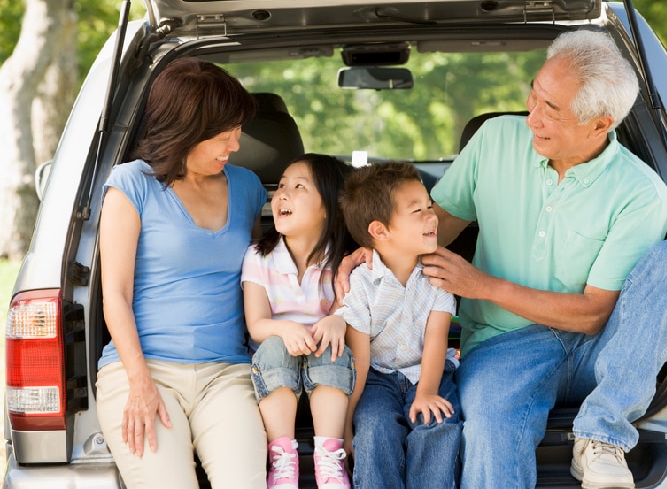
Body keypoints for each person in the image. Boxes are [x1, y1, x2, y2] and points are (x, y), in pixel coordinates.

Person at [418, 30, 667, 488]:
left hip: (605, 351)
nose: (531, 117)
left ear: (600, 124)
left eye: (551, 110)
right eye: (533, 96)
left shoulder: (641, 192)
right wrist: (368, 255)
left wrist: (480, 285)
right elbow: (434, 227)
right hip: (501, 347)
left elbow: (594, 315)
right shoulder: (494, 140)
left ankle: (602, 436)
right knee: (490, 426)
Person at [96, 57, 268, 488]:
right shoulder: (131, 184)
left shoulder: (246, 186)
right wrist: (139, 383)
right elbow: (114, 294)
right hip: (142, 370)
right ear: (188, 128)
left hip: (226, 374)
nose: (235, 145)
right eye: (225, 135)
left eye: (237, 133)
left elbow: (271, 268)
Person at [337, 162, 461, 489]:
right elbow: (359, 360)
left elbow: (437, 339)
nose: (432, 216)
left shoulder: (438, 275)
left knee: (438, 423)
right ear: (380, 231)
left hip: (429, 371)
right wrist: (346, 424)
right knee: (375, 429)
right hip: (377, 377)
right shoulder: (361, 283)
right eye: (417, 210)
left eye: (430, 206)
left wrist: (427, 393)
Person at [242, 154, 355, 489]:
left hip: (325, 368)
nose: (282, 194)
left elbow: (349, 308)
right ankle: (283, 458)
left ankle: (328, 457)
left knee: (331, 347)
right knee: (275, 347)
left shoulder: (342, 260)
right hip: (274, 367)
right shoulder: (259, 257)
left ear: (328, 208)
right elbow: (257, 324)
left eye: (298, 186)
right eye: (280, 186)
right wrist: (284, 328)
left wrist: (338, 320)